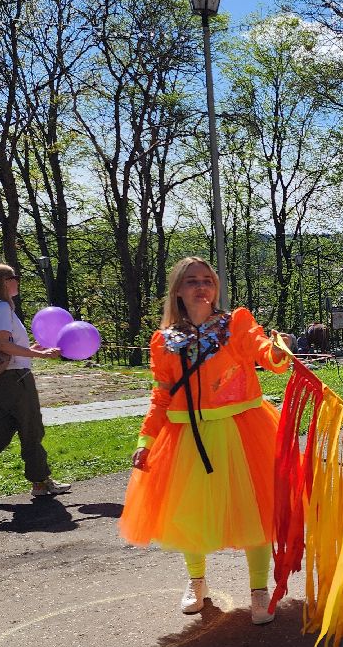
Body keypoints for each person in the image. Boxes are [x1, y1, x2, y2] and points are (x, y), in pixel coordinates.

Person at [119, 257, 293, 624]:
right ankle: (196, 582)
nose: (202, 287)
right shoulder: (163, 340)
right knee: (189, 513)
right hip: (185, 437)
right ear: (178, 290)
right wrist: (145, 440)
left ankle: (259, 590)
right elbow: (161, 394)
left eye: (208, 280)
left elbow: (264, 351)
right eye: (192, 281)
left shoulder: (237, 324)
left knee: (256, 511)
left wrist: (278, 350)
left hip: (243, 430)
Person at [0, 263, 72, 506]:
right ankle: (40, 482)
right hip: (15, 378)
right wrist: (41, 355)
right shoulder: (2, 308)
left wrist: (30, 350)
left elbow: (3, 345)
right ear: (4, 281)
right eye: (14, 277)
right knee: (31, 427)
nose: (18, 281)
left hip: (1, 379)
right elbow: (4, 345)